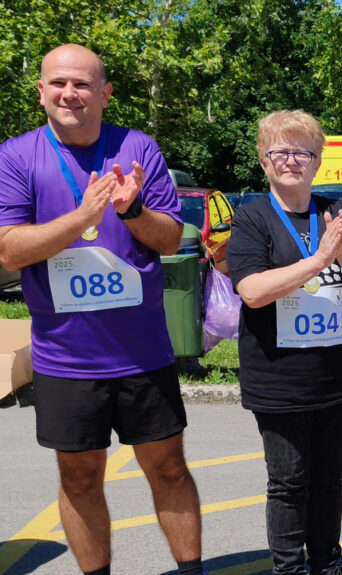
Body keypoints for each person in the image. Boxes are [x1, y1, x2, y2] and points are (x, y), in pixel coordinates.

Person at [0, 44, 205, 575]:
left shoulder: (137, 147)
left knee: (169, 470)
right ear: (41, 90)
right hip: (65, 358)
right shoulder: (18, 155)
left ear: (105, 94)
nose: (70, 93)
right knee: (80, 479)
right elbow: (9, 250)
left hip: (143, 353)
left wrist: (131, 208)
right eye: (59, 83)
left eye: (84, 84)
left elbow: (169, 240)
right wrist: (81, 216)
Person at [226, 110, 342, 575]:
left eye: (303, 152)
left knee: (329, 480)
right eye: (280, 151)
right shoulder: (252, 216)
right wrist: (316, 261)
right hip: (278, 378)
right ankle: (289, 568)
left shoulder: (336, 211)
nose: (291, 160)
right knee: (289, 482)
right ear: (264, 161)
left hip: (334, 375)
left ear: (317, 163)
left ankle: (326, 564)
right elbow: (252, 290)